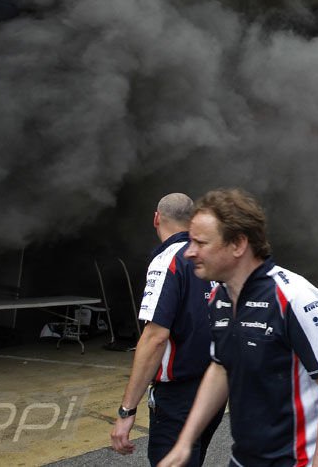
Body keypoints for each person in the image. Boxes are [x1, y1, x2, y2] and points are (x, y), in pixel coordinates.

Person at [158, 189, 318, 467]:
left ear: (238, 244)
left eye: (201, 243)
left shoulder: (294, 297)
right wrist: (185, 442)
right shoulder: (218, 297)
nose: (190, 252)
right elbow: (220, 366)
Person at [111, 193, 223, 466]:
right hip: (215, 389)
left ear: (157, 218)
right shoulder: (211, 258)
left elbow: (155, 337)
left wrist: (127, 410)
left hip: (179, 397)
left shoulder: (167, 261)